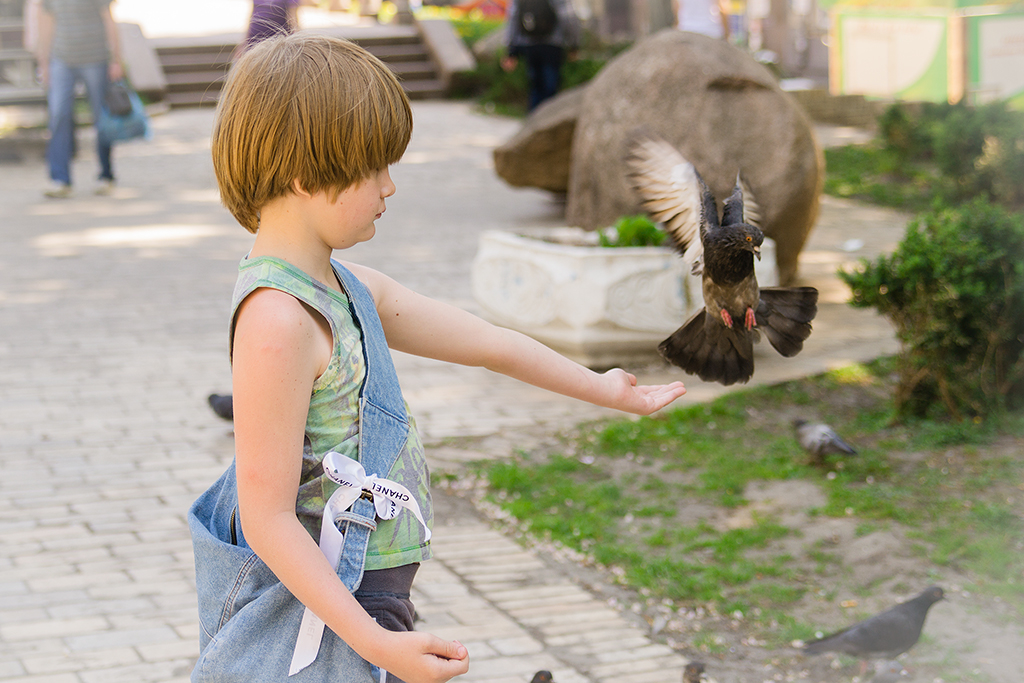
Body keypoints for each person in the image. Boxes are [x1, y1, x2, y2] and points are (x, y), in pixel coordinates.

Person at [189, 32, 686, 683]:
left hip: (370, 599)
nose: (389, 186)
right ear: (306, 174)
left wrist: (605, 387)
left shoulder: (346, 286)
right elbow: (268, 517)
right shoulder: (278, 320)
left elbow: (488, 344)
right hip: (327, 618)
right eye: (372, 167)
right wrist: (375, 641)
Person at [35, 0, 123, 198]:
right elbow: (46, 22)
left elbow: (108, 19)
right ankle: (60, 179)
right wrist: (43, 62)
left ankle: (106, 175)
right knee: (58, 116)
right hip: (61, 59)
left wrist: (116, 59)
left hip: (96, 58)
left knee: (102, 118)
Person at [502, 0, 580, 111]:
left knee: (535, 86)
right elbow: (567, 17)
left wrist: (511, 51)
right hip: (552, 45)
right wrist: (574, 43)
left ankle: (533, 120)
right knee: (550, 87)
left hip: (529, 44)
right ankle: (548, 120)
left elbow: (513, 19)